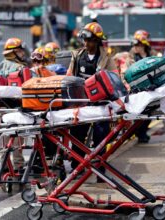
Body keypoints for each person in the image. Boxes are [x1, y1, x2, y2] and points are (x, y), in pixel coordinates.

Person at [66, 22, 116, 181]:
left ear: (97, 41)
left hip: (100, 103)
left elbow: (114, 77)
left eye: (90, 41)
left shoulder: (106, 58)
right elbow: (69, 77)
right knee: (77, 134)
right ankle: (76, 167)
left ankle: (101, 168)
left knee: (101, 137)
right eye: (85, 40)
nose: (86, 44)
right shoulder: (77, 56)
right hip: (81, 102)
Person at [0, 38, 29, 172]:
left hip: (1, 108)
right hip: (16, 107)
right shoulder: (20, 68)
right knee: (18, 135)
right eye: (20, 51)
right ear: (13, 52)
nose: (23, 53)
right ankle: (18, 165)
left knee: (4, 136)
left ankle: (4, 165)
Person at [129, 29, 155, 143]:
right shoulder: (130, 58)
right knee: (139, 113)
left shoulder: (152, 55)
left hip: (151, 88)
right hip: (135, 89)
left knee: (150, 112)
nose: (135, 47)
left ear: (144, 45)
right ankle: (140, 134)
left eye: (137, 44)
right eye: (134, 44)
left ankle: (141, 133)